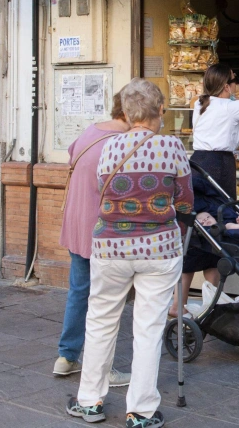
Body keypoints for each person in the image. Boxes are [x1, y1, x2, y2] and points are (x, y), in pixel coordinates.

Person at [66, 79, 194, 427]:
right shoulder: (172, 147)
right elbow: (185, 201)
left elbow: (102, 192)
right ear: (161, 111)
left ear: (127, 112)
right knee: (149, 328)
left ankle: (90, 402)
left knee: (100, 322)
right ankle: (140, 410)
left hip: (110, 247)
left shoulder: (110, 147)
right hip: (159, 248)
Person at [169, 63, 239, 317]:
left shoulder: (201, 102)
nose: (238, 84)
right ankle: (210, 302)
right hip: (218, 166)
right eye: (235, 79)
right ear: (225, 86)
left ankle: (187, 302)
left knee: (201, 230)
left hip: (200, 162)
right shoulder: (230, 107)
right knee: (217, 225)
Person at [55, 89, 132, 387]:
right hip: (103, 228)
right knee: (105, 302)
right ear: (130, 113)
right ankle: (103, 370)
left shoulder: (91, 130)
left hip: (76, 221)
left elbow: (72, 157)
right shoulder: (122, 142)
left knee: (79, 291)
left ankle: (66, 356)